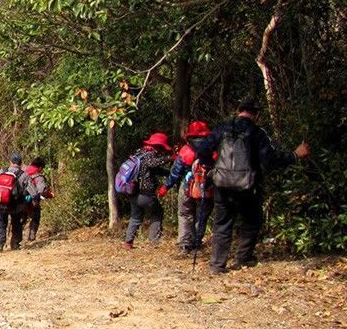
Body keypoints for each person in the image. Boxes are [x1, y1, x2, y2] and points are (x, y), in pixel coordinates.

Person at [196, 98, 310, 274]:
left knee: (222, 223)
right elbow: (270, 160)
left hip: (222, 184)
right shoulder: (257, 132)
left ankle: (217, 266)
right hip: (248, 186)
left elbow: (202, 149)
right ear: (256, 115)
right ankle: (244, 257)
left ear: (238, 110)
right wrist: (294, 155)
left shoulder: (222, 128)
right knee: (252, 221)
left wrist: (210, 167)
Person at [162, 120, 214, 253]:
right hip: (207, 188)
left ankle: (185, 244)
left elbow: (175, 172)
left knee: (185, 214)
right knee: (201, 216)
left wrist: (166, 187)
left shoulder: (186, 150)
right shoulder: (213, 150)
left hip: (186, 187)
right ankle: (197, 243)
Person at [123, 132, 174, 249]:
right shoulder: (149, 155)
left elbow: (153, 169)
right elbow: (152, 164)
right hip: (145, 193)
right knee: (157, 212)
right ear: (159, 146)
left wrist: (169, 174)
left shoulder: (139, 153)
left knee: (135, 216)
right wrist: (170, 157)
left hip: (132, 191)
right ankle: (153, 241)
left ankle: (128, 242)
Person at [0, 154, 32, 251]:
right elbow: (31, 190)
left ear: (10, 162)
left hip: (1, 202)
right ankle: (15, 244)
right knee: (16, 223)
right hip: (16, 204)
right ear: (21, 163)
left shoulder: (2, 171)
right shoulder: (23, 174)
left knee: (1, 223)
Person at [24, 156, 53, 243]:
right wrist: (50, 195)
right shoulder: (38, 176)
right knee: (36, 216)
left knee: (19, 220)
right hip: (31, 201)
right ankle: (31, 236)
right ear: (40, 167)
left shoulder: (24, 171)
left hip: (19, 200)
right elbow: (41, 191)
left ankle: (15, 240)